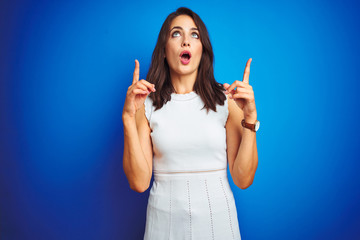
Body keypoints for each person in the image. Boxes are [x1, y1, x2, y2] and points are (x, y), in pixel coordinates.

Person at [122, 7, 259, 240]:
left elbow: (243, 179)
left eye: (194, 35)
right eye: (176, 34)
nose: (186, 41)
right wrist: (127, 118)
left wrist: (250, 118)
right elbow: (139, 182)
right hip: (163, 228)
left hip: (219, 227)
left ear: (202, 49)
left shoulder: (227, 101)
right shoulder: (145, 105)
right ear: (164, 50)